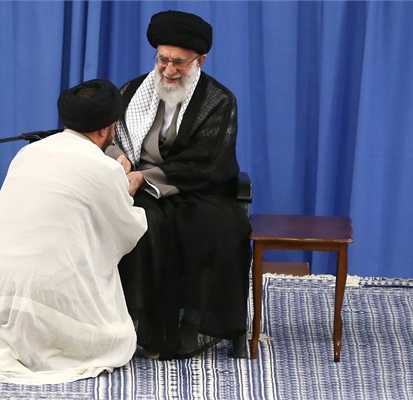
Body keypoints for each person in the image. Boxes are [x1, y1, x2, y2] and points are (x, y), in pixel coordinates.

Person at [0, 79, 147, 384]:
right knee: (117, 339)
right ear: (106, 130)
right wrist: (125, 184)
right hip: (44, 288)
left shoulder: (28, 153)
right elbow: (126, 230)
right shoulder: (104, 168)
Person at [105, 10, 252, 360]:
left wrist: (146, 175)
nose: (169, 70)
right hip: (139, 189)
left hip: (200, 189)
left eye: (179, 62)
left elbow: (209, 160)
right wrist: (119, 156)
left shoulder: (219, 100)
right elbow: (109, 136)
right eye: (163, 60)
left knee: (214, 231)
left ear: (200, 60)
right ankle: (136, 327)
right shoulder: (132, 91)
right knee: (142, 225)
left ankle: (190, 326)